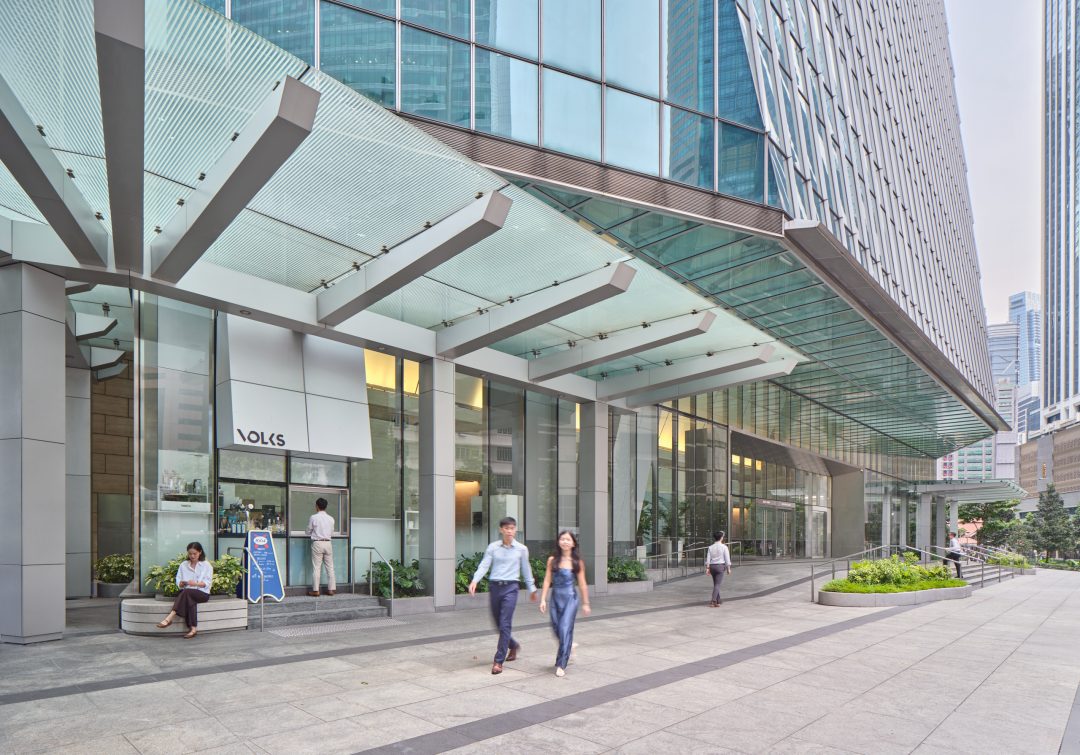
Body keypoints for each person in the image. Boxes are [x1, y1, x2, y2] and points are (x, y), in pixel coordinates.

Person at [469, 516, 538, 674]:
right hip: (495, 587)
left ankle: (498, 661)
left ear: (515, 530)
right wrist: (475, 580)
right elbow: (484, 564)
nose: (509, 531)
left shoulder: (521, 549)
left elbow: (526, 569)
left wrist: (532, 588)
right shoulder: (493, 547)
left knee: (505, 623)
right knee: (498, 624)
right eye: (506, 528)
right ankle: (513, 645)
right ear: (501, 530)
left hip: (511, 588)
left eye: (512, 528)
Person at [539, 530, 591, 677]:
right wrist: (543, 599)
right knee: (556, 627)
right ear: (558, 542)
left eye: (568, 539)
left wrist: (585, 603)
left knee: (564, 628)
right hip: (556, 598)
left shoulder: (577, 562)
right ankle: (570, 645)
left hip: (570, 599)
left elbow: (582, 584)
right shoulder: (552, 560)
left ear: (573, 543)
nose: (565, 542)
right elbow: (547, 580)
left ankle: (561, 664)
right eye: (562, 539)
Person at [156, 542, 213, 639]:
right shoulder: (183, 565)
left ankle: (170, 617)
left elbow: (207, 583)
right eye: (190, 553)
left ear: (200, 552)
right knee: (189, 598)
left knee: (187, 593)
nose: (192, 556)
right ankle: (193, 629)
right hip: (187, 593)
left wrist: (195, 583)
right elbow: (179, 580)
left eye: (194, 553)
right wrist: (181, 584)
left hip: (202, 594)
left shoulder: (206, 565)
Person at [307, 497, 336, 597]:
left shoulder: (314, 517)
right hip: (328, 543)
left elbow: (308, 530)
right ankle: (331, 589)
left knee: (317, 568)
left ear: (317, 506)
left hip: (318, 543)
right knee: (330, 567)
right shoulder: (331, 518)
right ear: (325, 507)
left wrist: (309, 533)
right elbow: (332, 532)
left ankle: (316, 590)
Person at [705, 530, 732, 607]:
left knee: (716, 584)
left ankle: (718, 601)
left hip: (712, 567)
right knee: (717, 584)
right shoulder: (724, 547)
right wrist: (728, 568)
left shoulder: (710, 547)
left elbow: (708, 558)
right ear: (721, 538)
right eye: (722, 536)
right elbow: (727, 558)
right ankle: (713, 600)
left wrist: (707, 568)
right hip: (720, 566)